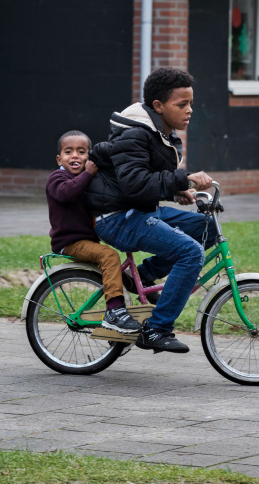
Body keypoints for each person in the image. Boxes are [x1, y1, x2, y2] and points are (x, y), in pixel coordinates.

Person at [85, 68, 215, 353]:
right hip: (116, 218)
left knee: (207, 228)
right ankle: (157, 329)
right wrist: (185, 178)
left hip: (136, 211)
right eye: (182, 104)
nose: (189, 110)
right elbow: (135, 184)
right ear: (158, 106)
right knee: (190, 252)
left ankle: (141, 277)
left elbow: (145, 180)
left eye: (190, 103)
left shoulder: (158, 132)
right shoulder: (135, 134)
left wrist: (177, 190)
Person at [46, 130, 141, 333]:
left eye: (81, 152)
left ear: (89, 156)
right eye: (68, 151)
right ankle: (115, 311)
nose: (75, 156)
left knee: (121, 273)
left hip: (87, 241)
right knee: (109, 256)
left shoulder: (86, 181)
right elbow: (67, 193)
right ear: (59, 158)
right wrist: (89, 172)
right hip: (69, 242)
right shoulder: (57, 178)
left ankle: (148, 301)